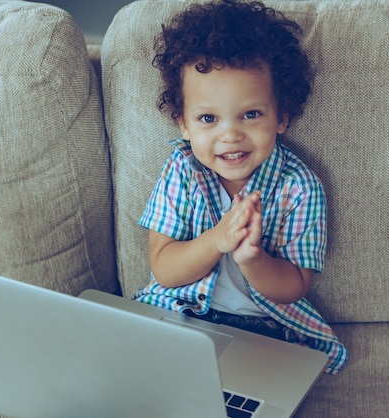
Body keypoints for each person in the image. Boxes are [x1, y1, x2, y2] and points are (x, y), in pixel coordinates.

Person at [134, 0, 347, 374]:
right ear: (184, 124)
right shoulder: (182, 171)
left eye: (250, 114)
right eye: (208, 118)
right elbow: (164, 269)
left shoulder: (298, 187)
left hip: (262, 332)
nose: (230, 135)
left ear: (281, 116)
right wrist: (217, 240)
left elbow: (296, 284)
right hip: (180, 316)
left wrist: (253, 259)